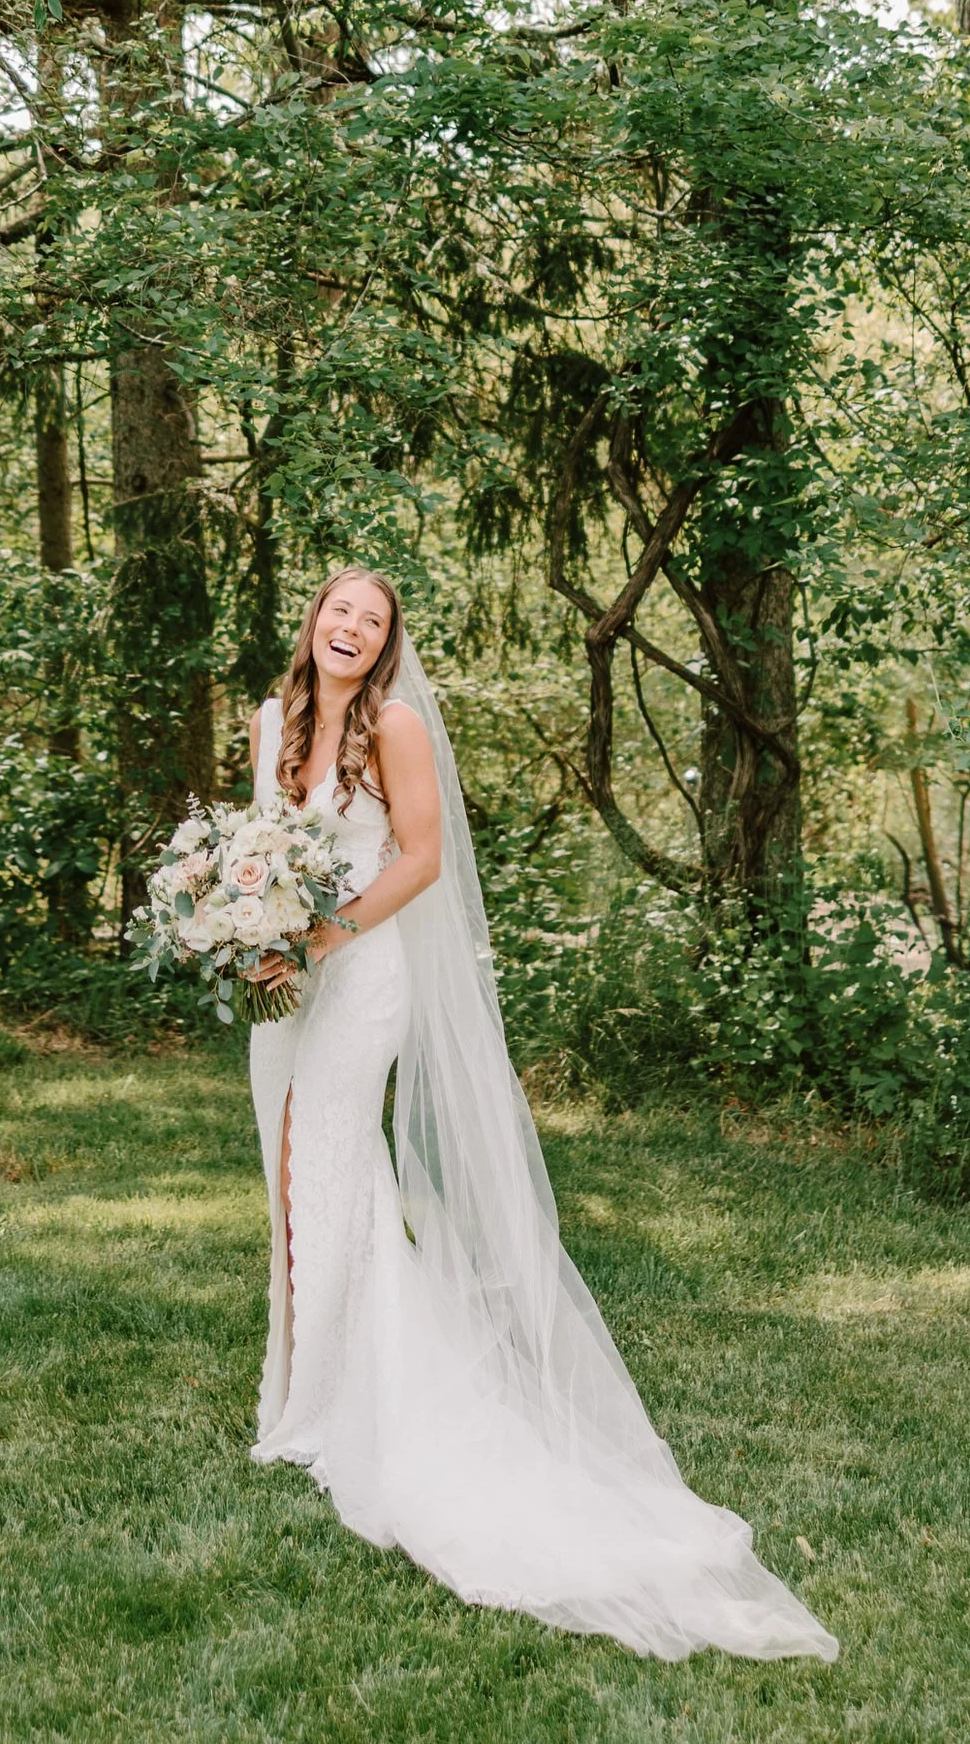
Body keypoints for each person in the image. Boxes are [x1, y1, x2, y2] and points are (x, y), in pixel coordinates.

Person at [246, 566, 837, 1664]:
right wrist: (244, 922)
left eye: (373, 623)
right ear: (313, 620)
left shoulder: (400, 730)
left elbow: (418, 860)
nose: (352, 630)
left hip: (361, 978)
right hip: (284, 983)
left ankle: (328, 1408)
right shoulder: (269, 721)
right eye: (340, 610)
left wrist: (322, 937)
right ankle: (304, 1384)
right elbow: (260, 851)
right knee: (292, 1174)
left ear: (385, 647)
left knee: (328, 1162)